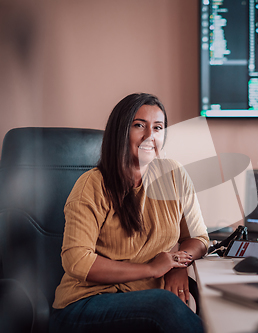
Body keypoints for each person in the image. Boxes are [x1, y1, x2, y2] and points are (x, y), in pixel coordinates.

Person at [49, 93, 209, 333]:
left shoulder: (174, 174)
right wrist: (152, 269)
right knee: (164, 306)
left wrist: (178, 265)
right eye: (139, 126)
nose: (149, 137)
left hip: (147, 297)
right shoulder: (92, 185)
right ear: (120, 132)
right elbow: (77, 261)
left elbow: (199, 238)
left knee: (207, 297)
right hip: (85, 303)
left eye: (158, 127)